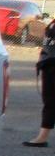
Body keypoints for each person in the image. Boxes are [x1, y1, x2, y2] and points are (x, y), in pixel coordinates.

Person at [25, 17, 55, 147]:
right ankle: (42, 137)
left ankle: (42, 137)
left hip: (52, 65)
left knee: (50, 102)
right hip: (48, 65)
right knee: (50, 102)